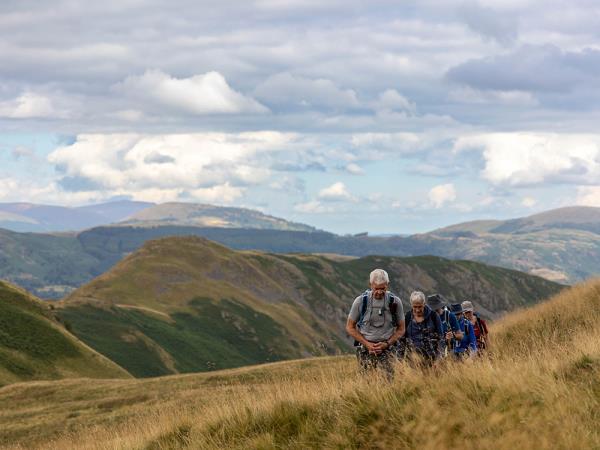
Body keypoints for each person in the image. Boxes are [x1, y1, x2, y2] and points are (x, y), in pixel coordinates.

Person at [346, 269, 405, 379]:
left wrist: (386, 344)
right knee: (366, 383)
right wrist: (367, 344)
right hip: (365, 350)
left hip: (388, 350)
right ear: (370, 284)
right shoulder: (360, 301)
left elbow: (401, 329)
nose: (379, 292)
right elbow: (350, 327)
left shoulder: (395, 302)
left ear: (387, 285)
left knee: (387, 382)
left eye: (382, 288)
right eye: (376, 288)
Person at [403, 291, 443, 365]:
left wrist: (439, 359)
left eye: (420, 307)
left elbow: (441, 338)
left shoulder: (433, 316)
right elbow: (402, 341)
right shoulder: (407, 317)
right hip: (412, 362)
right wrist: (400, 361)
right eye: (415, 307)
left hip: (432, 360)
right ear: (411, 305)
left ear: (424, 304)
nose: (417, 310)